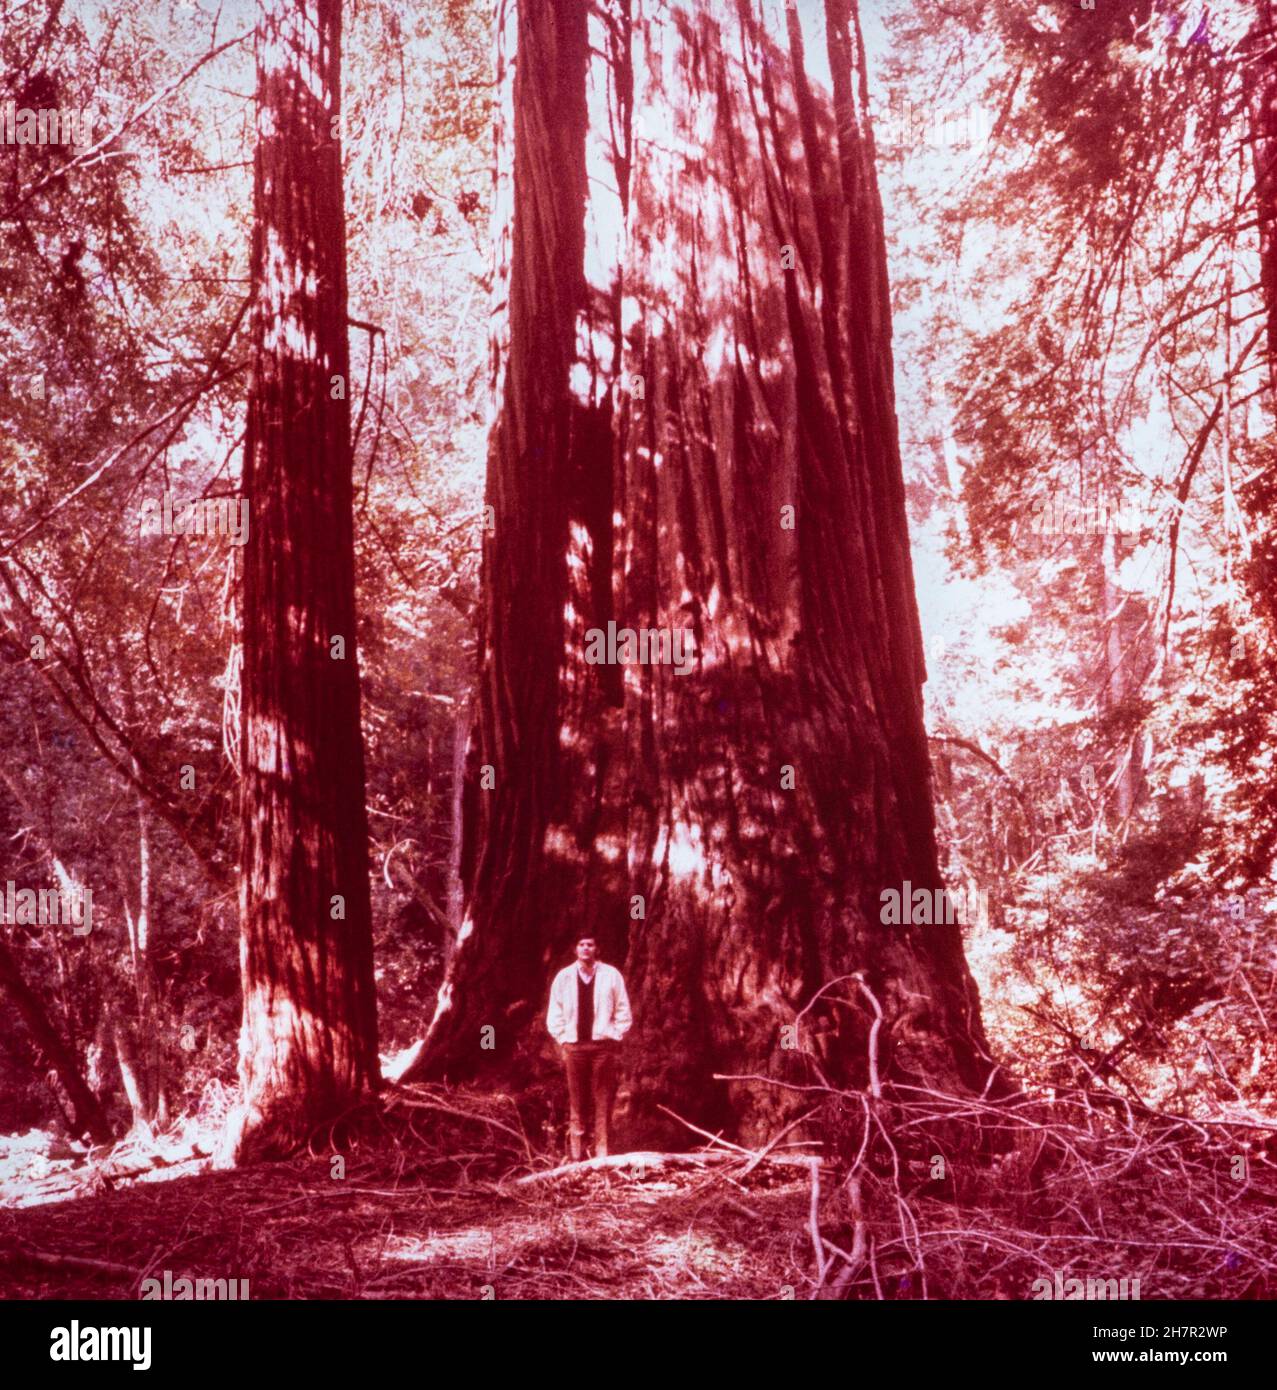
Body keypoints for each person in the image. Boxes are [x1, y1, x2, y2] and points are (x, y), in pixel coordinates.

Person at [546, 935, 632, 1160]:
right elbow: (554, 1011)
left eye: (590, 945)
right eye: (582, 945)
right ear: (576, 949)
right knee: (577, 1099)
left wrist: (614, 1034)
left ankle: (601, 1152)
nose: (586, 948)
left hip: (602, 1048)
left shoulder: (611, 975)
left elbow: (623, 1008)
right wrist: (563, 1038)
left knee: (601, 1098)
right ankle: (576, 1155)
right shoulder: (564, 977)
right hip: (574, 1048)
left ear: (597, 948)